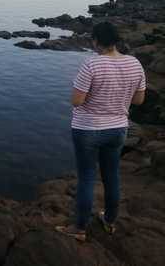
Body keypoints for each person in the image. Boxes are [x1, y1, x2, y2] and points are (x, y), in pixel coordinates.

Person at [56, 21, 146, 242]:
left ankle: (79, 229)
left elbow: (77, 101)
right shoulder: (134, 63)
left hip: (88, 129)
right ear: (116, 40)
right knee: (112, 176)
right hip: (118, 129)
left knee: (87, 178)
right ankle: (109, 221)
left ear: (95, 41)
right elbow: (139, 100)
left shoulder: (92, 65)